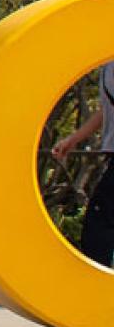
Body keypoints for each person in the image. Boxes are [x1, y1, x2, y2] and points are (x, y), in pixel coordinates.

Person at [51, 60, 114, 266]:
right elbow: (105, 111)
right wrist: (74, 139)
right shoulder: (108, 63)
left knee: (100, 221)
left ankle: (96, 279)